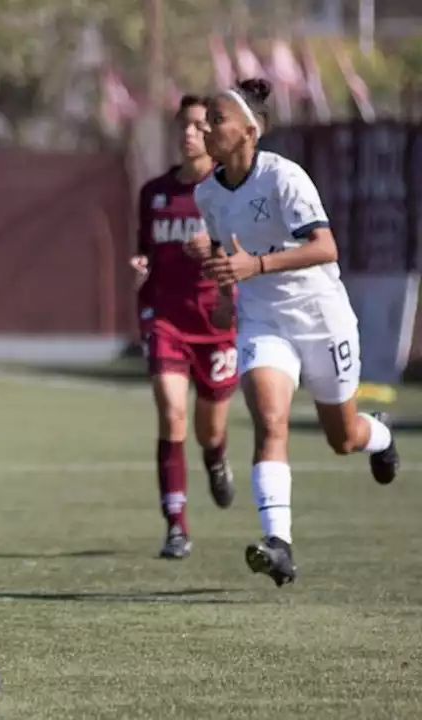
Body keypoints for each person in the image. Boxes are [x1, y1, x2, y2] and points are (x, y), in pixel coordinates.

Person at [190, 78, 400, 587]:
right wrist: (222, 294)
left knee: (342, 437)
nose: (204, 128)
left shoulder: (285, 178)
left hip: (320, 315)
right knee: (270, 420)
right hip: (264, 321)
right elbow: (226, 254)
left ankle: (380, 434)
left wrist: (255, 265)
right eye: (202, 121)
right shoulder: (206, 193)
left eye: (215, 120)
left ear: (249, 130)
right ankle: (279, 544)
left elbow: (326, 247)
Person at [131, 94, 237, 560]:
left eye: (198, 125)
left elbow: (245, 256)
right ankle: (176, 525)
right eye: (184, 126)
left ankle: (216, 460)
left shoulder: (230, 191)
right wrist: (141, 265)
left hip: (216, 325)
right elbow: (146, 252)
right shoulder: (155, 193)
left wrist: (215, 255)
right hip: (167, 319)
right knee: (171, 414)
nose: (189, 134)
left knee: (209, 431)